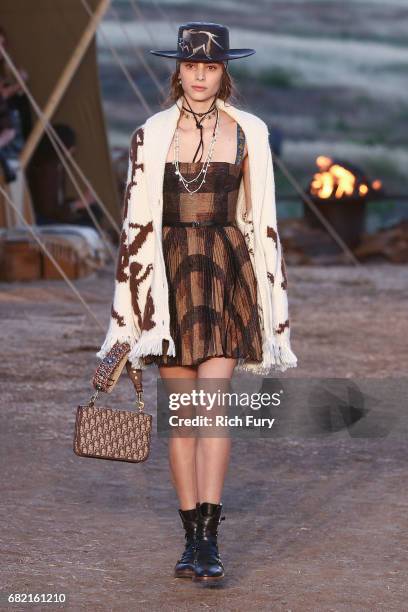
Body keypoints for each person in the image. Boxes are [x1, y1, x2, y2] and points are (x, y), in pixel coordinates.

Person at [96, 22, 297, 583]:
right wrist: (131, 314)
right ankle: (190, 540)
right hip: (169, 278)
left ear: (223, 71)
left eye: (210, 67)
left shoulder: (249, 133)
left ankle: (210, 539)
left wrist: (268, 295)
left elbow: (261, 220)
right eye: (191, 66)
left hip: (226, 274)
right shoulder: (151, 133)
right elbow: (134, 228)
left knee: (214, 405)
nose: (200, 76)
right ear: (178, 70)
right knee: (183, 416)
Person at [26, 123, 103, 227]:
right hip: (43, 220)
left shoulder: (58, 166)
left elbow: (58, 201)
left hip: (55, 214)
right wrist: (79, 204)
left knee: (94, 211)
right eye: (70, 146)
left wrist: (80, 202)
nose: (73, 150)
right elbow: (48, 211)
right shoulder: (46, 170)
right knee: (88, 222)